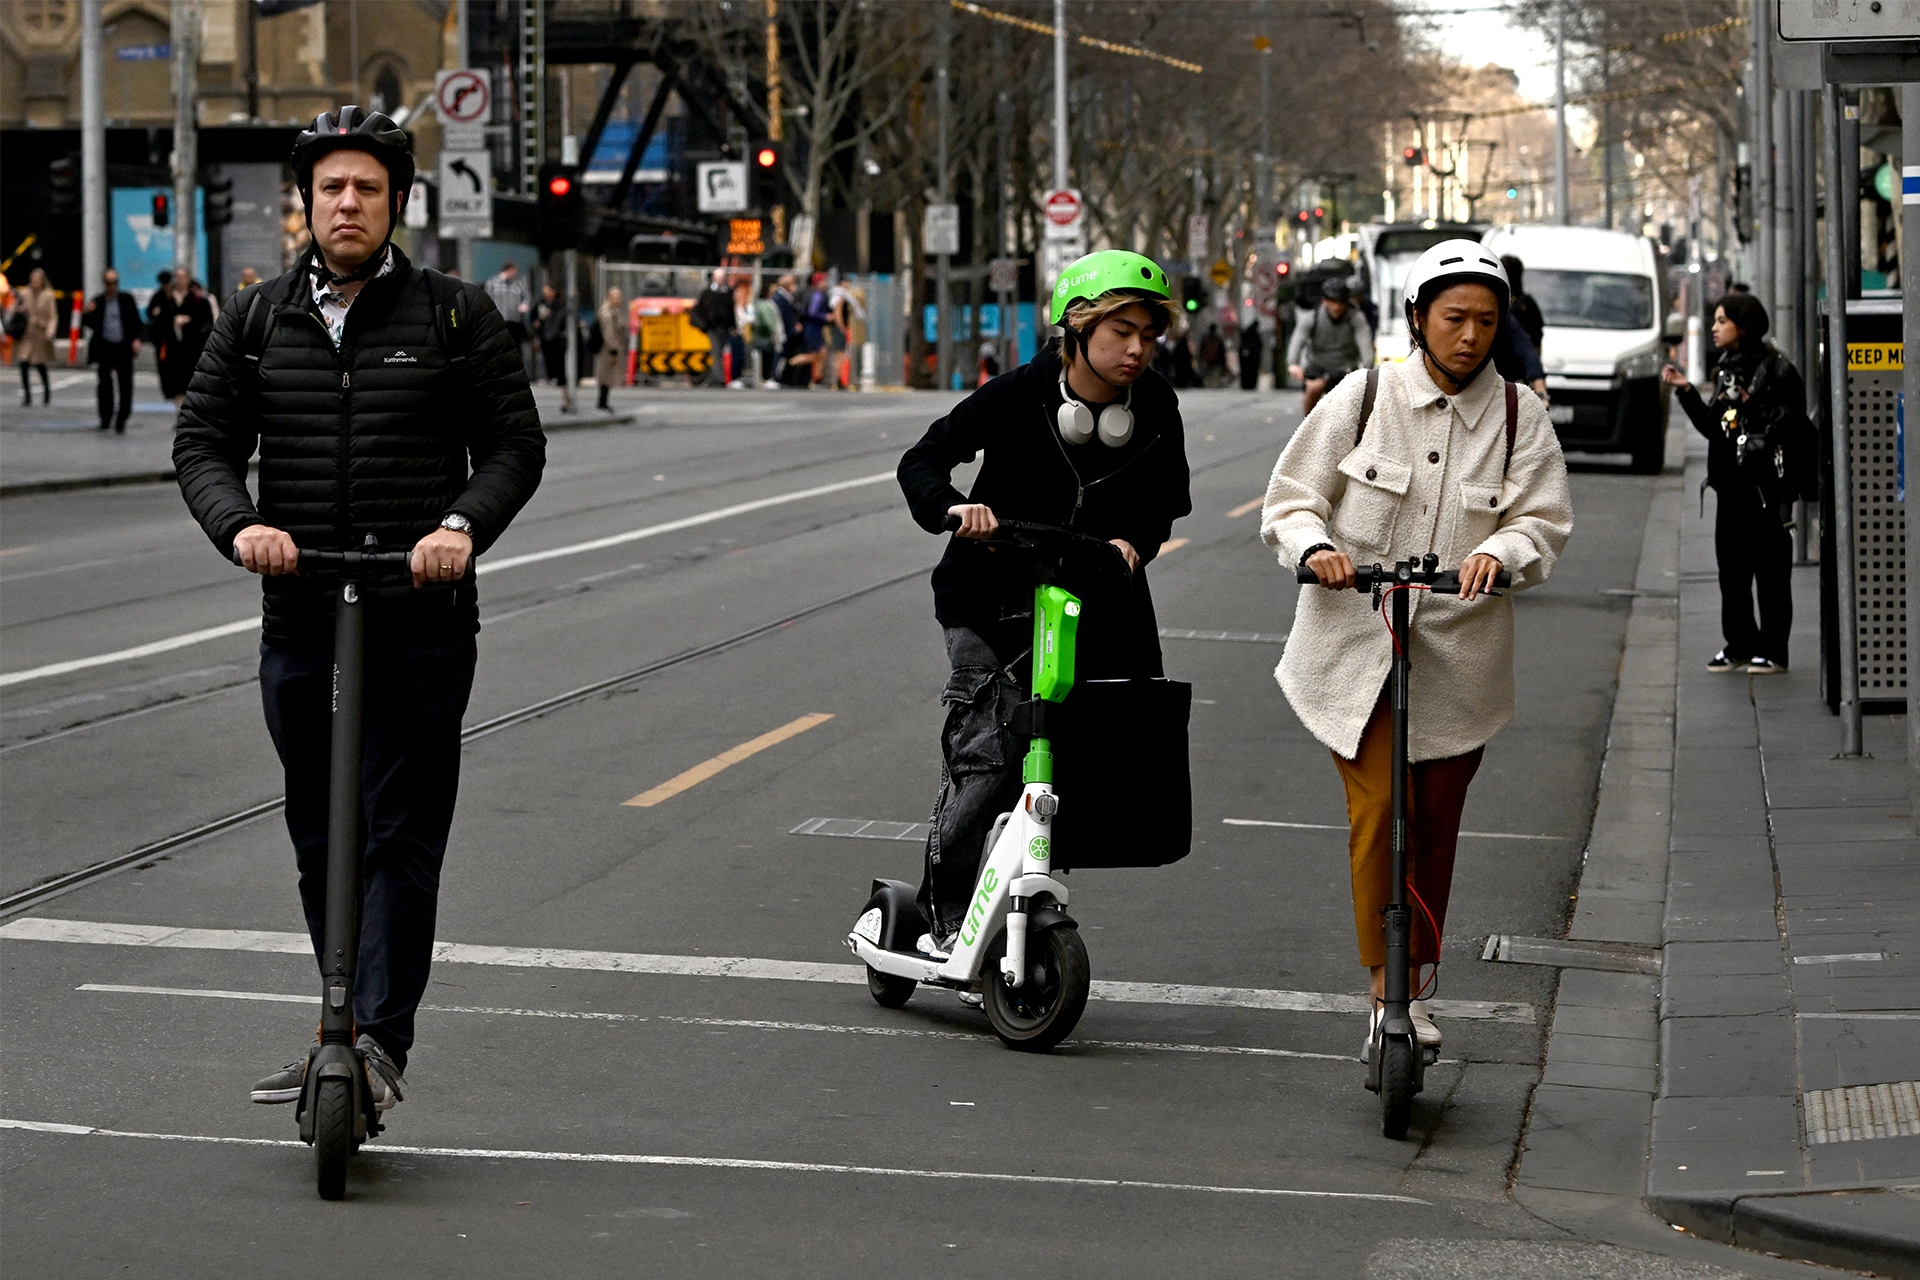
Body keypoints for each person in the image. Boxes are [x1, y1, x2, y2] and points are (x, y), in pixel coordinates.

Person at [172, 105, 546, 1115]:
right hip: (302, 610)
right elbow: (201, 442)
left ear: (394, 206)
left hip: (418, 616)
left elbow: (515, 447)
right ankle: (340, 1013)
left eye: (367, 189)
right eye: (332, 188)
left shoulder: (456, 314)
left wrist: (460, 526)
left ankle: (375, 1037)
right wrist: (240, 524)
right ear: (307, 202)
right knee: (316, 829)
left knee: (399, 832)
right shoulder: (255, 320)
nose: (347, 203)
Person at [1260, 240, 1572, 1054]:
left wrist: (1499, 554)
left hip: (1457, 662)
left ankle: (1419, 979)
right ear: (1418, 319)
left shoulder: (1519, 418)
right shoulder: (1363, 397)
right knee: (1380, 813)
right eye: (1454, 318)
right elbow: (1291, 501)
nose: (1470, 335)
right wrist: (1311, 548)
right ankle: (1383, 986)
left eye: (1486, 321)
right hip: (1353, 652)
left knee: (1433, 821)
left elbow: (1542, 523)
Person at [896, 249, 1192, 954]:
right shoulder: (1018, 395)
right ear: (1078, 328)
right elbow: (923, 461)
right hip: (987, 598)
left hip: (1089, 599)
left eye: (1148, 334)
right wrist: (956, 511)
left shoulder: (1153, 405)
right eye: (1122, 331)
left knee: (1086, 749)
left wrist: (1135, 542)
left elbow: (1168, 501)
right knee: (991, 752)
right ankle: (945, 919)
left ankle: (1021, 891)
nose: (1137, 349)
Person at [1662, 293, 1814, 674]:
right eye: (1714, 321)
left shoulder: (1777, 369)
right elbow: (1716, 429)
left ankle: (1774, 650)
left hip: (1766, 490)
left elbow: (1793, 423)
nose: (1713, 328)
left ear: (1743, 327)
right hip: (1730, 490)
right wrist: (1686, 390)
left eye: (1721, 321)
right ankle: (1740, 644)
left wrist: (1751, 403)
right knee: (1732, 573)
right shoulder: (1727, 367)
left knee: (1771, 574)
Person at [1288, 277, 1374, 414]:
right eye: (1333, 302)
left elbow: (1365, 343)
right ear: (1324, 301)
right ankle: (1309, 429)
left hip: (1344, 368)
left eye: (1341, 303)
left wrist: (1367, 368)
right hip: (1317, 365)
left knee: (1351, 405)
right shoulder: (1312, 317)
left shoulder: (1356, 318)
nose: (1337, 307)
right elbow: (1298, 339)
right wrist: (1293, 363)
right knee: (1312, 390)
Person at [81, 268, 145, 433]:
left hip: (123, 346)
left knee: (125, 384)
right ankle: (105, 417)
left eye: (115, 282)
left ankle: (122, 417)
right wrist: (88, 312)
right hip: (105, 346)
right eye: (109, 283)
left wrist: (136, 339)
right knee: (104, 382)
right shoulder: (98, 301)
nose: (112, 286)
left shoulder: (126, 300)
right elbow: (88, 322)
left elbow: (136, 322)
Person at [149, 267, 215, 406]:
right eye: (177, 277)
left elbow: (206, 323)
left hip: (191, 348)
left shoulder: (198, 299)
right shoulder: (164, 298)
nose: (180, 280)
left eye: (183, 277)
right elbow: (155, 319)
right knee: (174, 384)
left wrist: (189, 321)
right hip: (171, 348)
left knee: (191, 382)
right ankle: (180, 413)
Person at [13, 268, 58, 406]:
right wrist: (19, 310)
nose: (34, 283)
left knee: (40, 364)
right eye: (33, 281)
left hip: (40, 333)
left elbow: (53, 315)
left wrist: (50, 330)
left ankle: (46, 392)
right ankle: (27, 395)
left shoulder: (48, 295)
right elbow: (15, 308)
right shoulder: (24, 293)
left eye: (37, 281)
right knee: (24, 363)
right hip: (27, 333)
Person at [690, 268, 736, 387]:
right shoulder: (708, 293)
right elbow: (700, 309)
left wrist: (733, 325)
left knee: (724, 352)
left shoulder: (728, 292)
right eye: (718, 277)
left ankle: (723, 376)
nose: (720, 280)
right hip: (712, 327)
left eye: (722, 277)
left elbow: (731, 311)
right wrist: (704, 325)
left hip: (725, 327)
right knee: (716, 352)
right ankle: (719, 378)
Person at [484, 260, 532, 370]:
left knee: (515, 345)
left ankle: (516, 368)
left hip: (514, 319)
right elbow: (486, 299)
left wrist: (524, 305)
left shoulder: (519, 283)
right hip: (498, 319)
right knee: (499, 345)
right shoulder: (493, 283)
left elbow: (527, 297)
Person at [594, 286, 625, 411]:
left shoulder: (614, 311)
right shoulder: (607, 313)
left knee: (608, 375)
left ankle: (604, 401)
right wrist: (613, 350)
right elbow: (609, 333)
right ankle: (602, 402)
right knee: (605, 375)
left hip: (611, 347)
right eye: (615, 297)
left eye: (619, 296)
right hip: (607, 348)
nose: (618, 299)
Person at [535, 281, 569, 387]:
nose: (546, 294)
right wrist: (538, 321)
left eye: (548, 291)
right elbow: (534, 316)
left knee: (558, 358)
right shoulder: (541, 303)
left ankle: (558, 377)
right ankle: (548, 376)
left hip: (557, 335)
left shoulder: (560, 304)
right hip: (544, 334)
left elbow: (564, 318)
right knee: (546, 356)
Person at [1239, 316, 1263, 391]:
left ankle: (1245, 385)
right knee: (1252, 373)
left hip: (1245, 357)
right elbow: (1260, 345)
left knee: (1245, 372)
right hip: (1254, 357)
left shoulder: (1246, 333)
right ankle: (1251, 385)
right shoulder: (1256, 334)